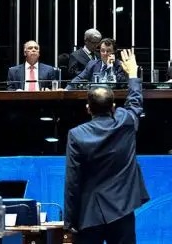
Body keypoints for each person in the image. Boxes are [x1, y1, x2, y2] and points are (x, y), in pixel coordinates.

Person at [64, 49, 149, 244]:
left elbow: (72, 182)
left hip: (89, 214)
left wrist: (69, 221)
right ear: (113, 107)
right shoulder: (125, 121)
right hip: (122, 210)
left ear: (88, 108)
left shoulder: (76, 135)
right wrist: (133, 74)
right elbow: (135, 102)